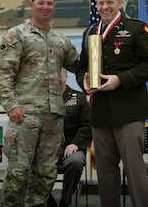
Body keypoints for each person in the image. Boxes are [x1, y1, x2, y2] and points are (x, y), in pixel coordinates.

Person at [75, 0, 148, 207]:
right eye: (100, 3)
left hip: (130, 111)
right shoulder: (90, 33)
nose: (105, 7)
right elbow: (80, 67)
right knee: (105, 173)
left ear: (119, 3)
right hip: (100, 114)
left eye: (109, 2)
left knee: (135, 170)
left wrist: (120, 80)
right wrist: (83, 81)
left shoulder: (136, 28)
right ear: (97, 5)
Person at [0, 0, 79, 207]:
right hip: (25, 115)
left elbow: (79, 65)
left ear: (54, 7)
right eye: (41, 3)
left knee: (46, 173)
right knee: (19, 172)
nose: (45, 7)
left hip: (54, 117)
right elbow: (3, 74)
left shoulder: (61, 41)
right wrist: (11, 105)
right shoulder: (17, 35)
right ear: (32, 6)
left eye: (50, 3)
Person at [47, 68, 92, 207]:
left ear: (65, 77)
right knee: (30, 163)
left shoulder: (78, 98)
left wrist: (76, 144)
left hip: (70, 147)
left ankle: (65, 201)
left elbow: (88, 125)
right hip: (46, 150)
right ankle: (49, 203)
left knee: (76, 161)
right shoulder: (42, 100)